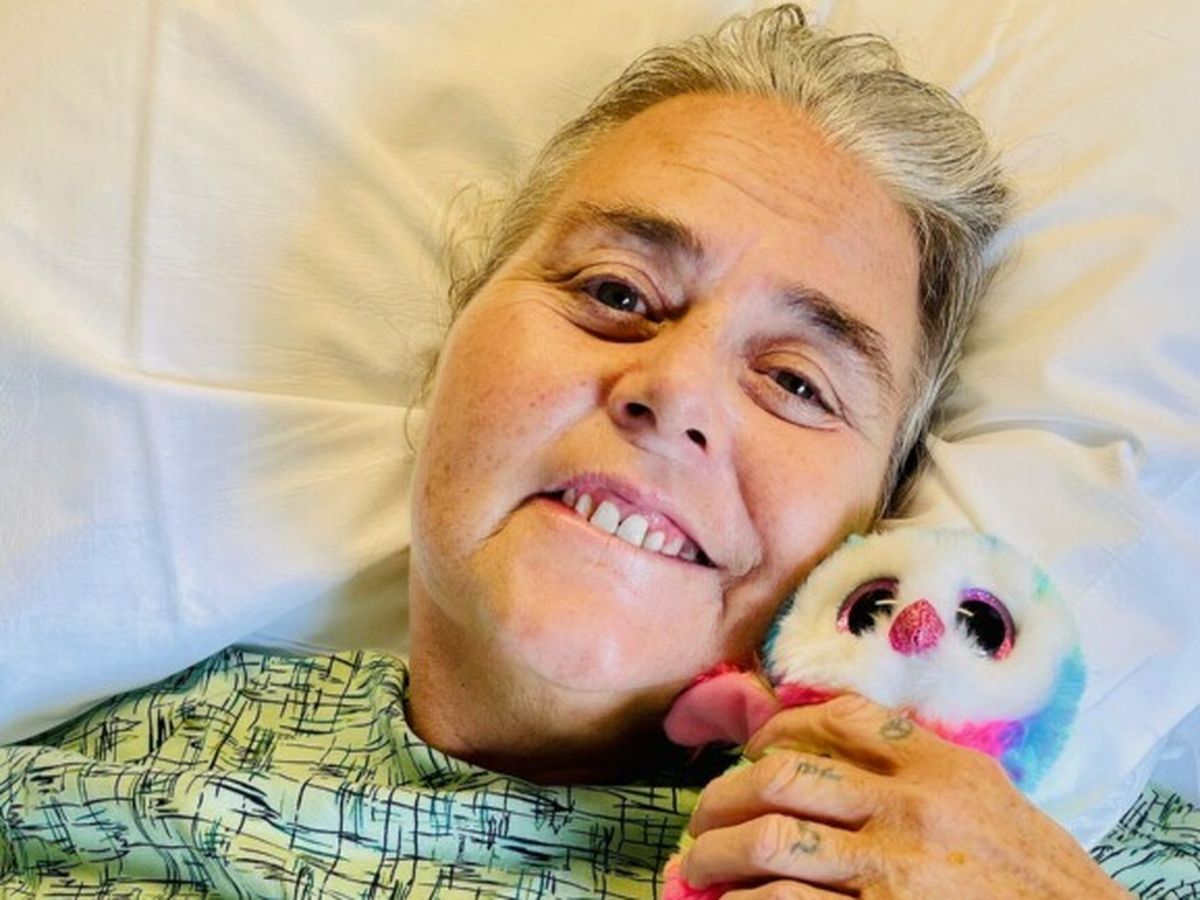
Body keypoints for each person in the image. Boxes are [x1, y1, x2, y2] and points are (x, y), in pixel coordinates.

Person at [0, 6, 1136, 897]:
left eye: (798, 383)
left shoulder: (1067, 862)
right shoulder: (82, 774)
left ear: (878, 523)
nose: (674, 392)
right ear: (451, 346)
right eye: (616, 292)